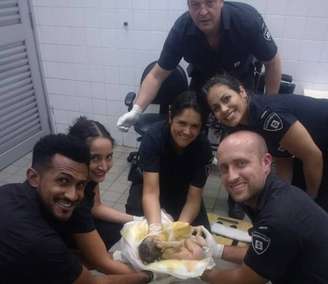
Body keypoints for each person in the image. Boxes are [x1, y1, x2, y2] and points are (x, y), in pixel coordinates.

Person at [117, 0, 282, 219]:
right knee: (190, 133)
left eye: (209, 3)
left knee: (240, 142)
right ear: (188, 5)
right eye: (195, 4)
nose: (202, 11)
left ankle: (237, 198)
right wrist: (137, 109)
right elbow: (158, 74)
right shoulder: (182, 29)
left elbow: (272, 61)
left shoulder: (246, 19)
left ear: (220, 1)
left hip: (237, 86)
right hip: (202, 84)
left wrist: (269, 104)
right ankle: (189, 189)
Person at [0, 134, 152, 284]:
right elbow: (92, 282)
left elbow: (64, 257)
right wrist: (149, 277)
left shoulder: (9, 191)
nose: (72, 196)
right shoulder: (42, 242)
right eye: (63, 181)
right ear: (34, 177)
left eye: (80, 185)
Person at [202, 130, 328, 284]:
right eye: (224, 168)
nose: (232, 176)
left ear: (266, 162)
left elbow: (247, 280)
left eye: (241, 163)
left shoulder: (278, 217)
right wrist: (216, 249)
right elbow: (265, 253)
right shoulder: (263, 193)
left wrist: (198, 267)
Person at [203, 74, 328, 212]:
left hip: (318, 150)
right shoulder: (242, 123)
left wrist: (311, 199)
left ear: (242, 92)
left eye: (226, 99)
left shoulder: (265, 115)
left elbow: (312, 156)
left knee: (317, 210)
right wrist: (281, 198)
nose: (224, 109)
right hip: (315, 150)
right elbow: (282, 155)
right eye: (216, 108)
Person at [125, 91, 213, 239]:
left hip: (182, 191)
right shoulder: (154, 137)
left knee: (200, 238)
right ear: (171, 116)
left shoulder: (203, 148)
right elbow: (151, 193)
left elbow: (193, 199)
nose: (187, 132)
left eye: (194, 126)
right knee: (140, 236)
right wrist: (155, 230)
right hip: (149, 187)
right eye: (182, 123)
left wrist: (178, 230)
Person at [67, 117, 143, 274]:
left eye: (108, 157)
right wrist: (151, 273)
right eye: (95, 158)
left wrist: (139, 220)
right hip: (50, 243)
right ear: (77, 155)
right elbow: (103, 263)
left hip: (74, 223)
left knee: (119, 228)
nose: (104, 166)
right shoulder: (74, 199)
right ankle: (77, 261)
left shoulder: (88, 177)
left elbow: (96, 207)